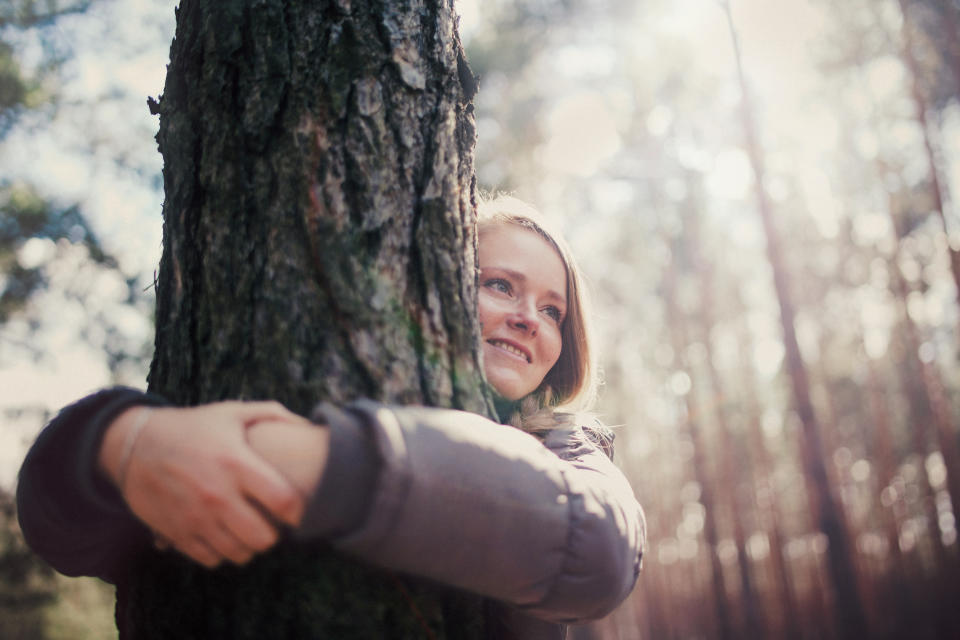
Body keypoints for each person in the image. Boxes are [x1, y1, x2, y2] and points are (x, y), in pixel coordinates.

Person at [17, 197, 645, 638]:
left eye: (554, 310)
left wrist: (315, 465)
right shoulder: (234, 374)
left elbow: (599, 554)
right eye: (501, 285)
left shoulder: (569, 448)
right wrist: (122, 443)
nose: (529, 318)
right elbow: (55, 521)